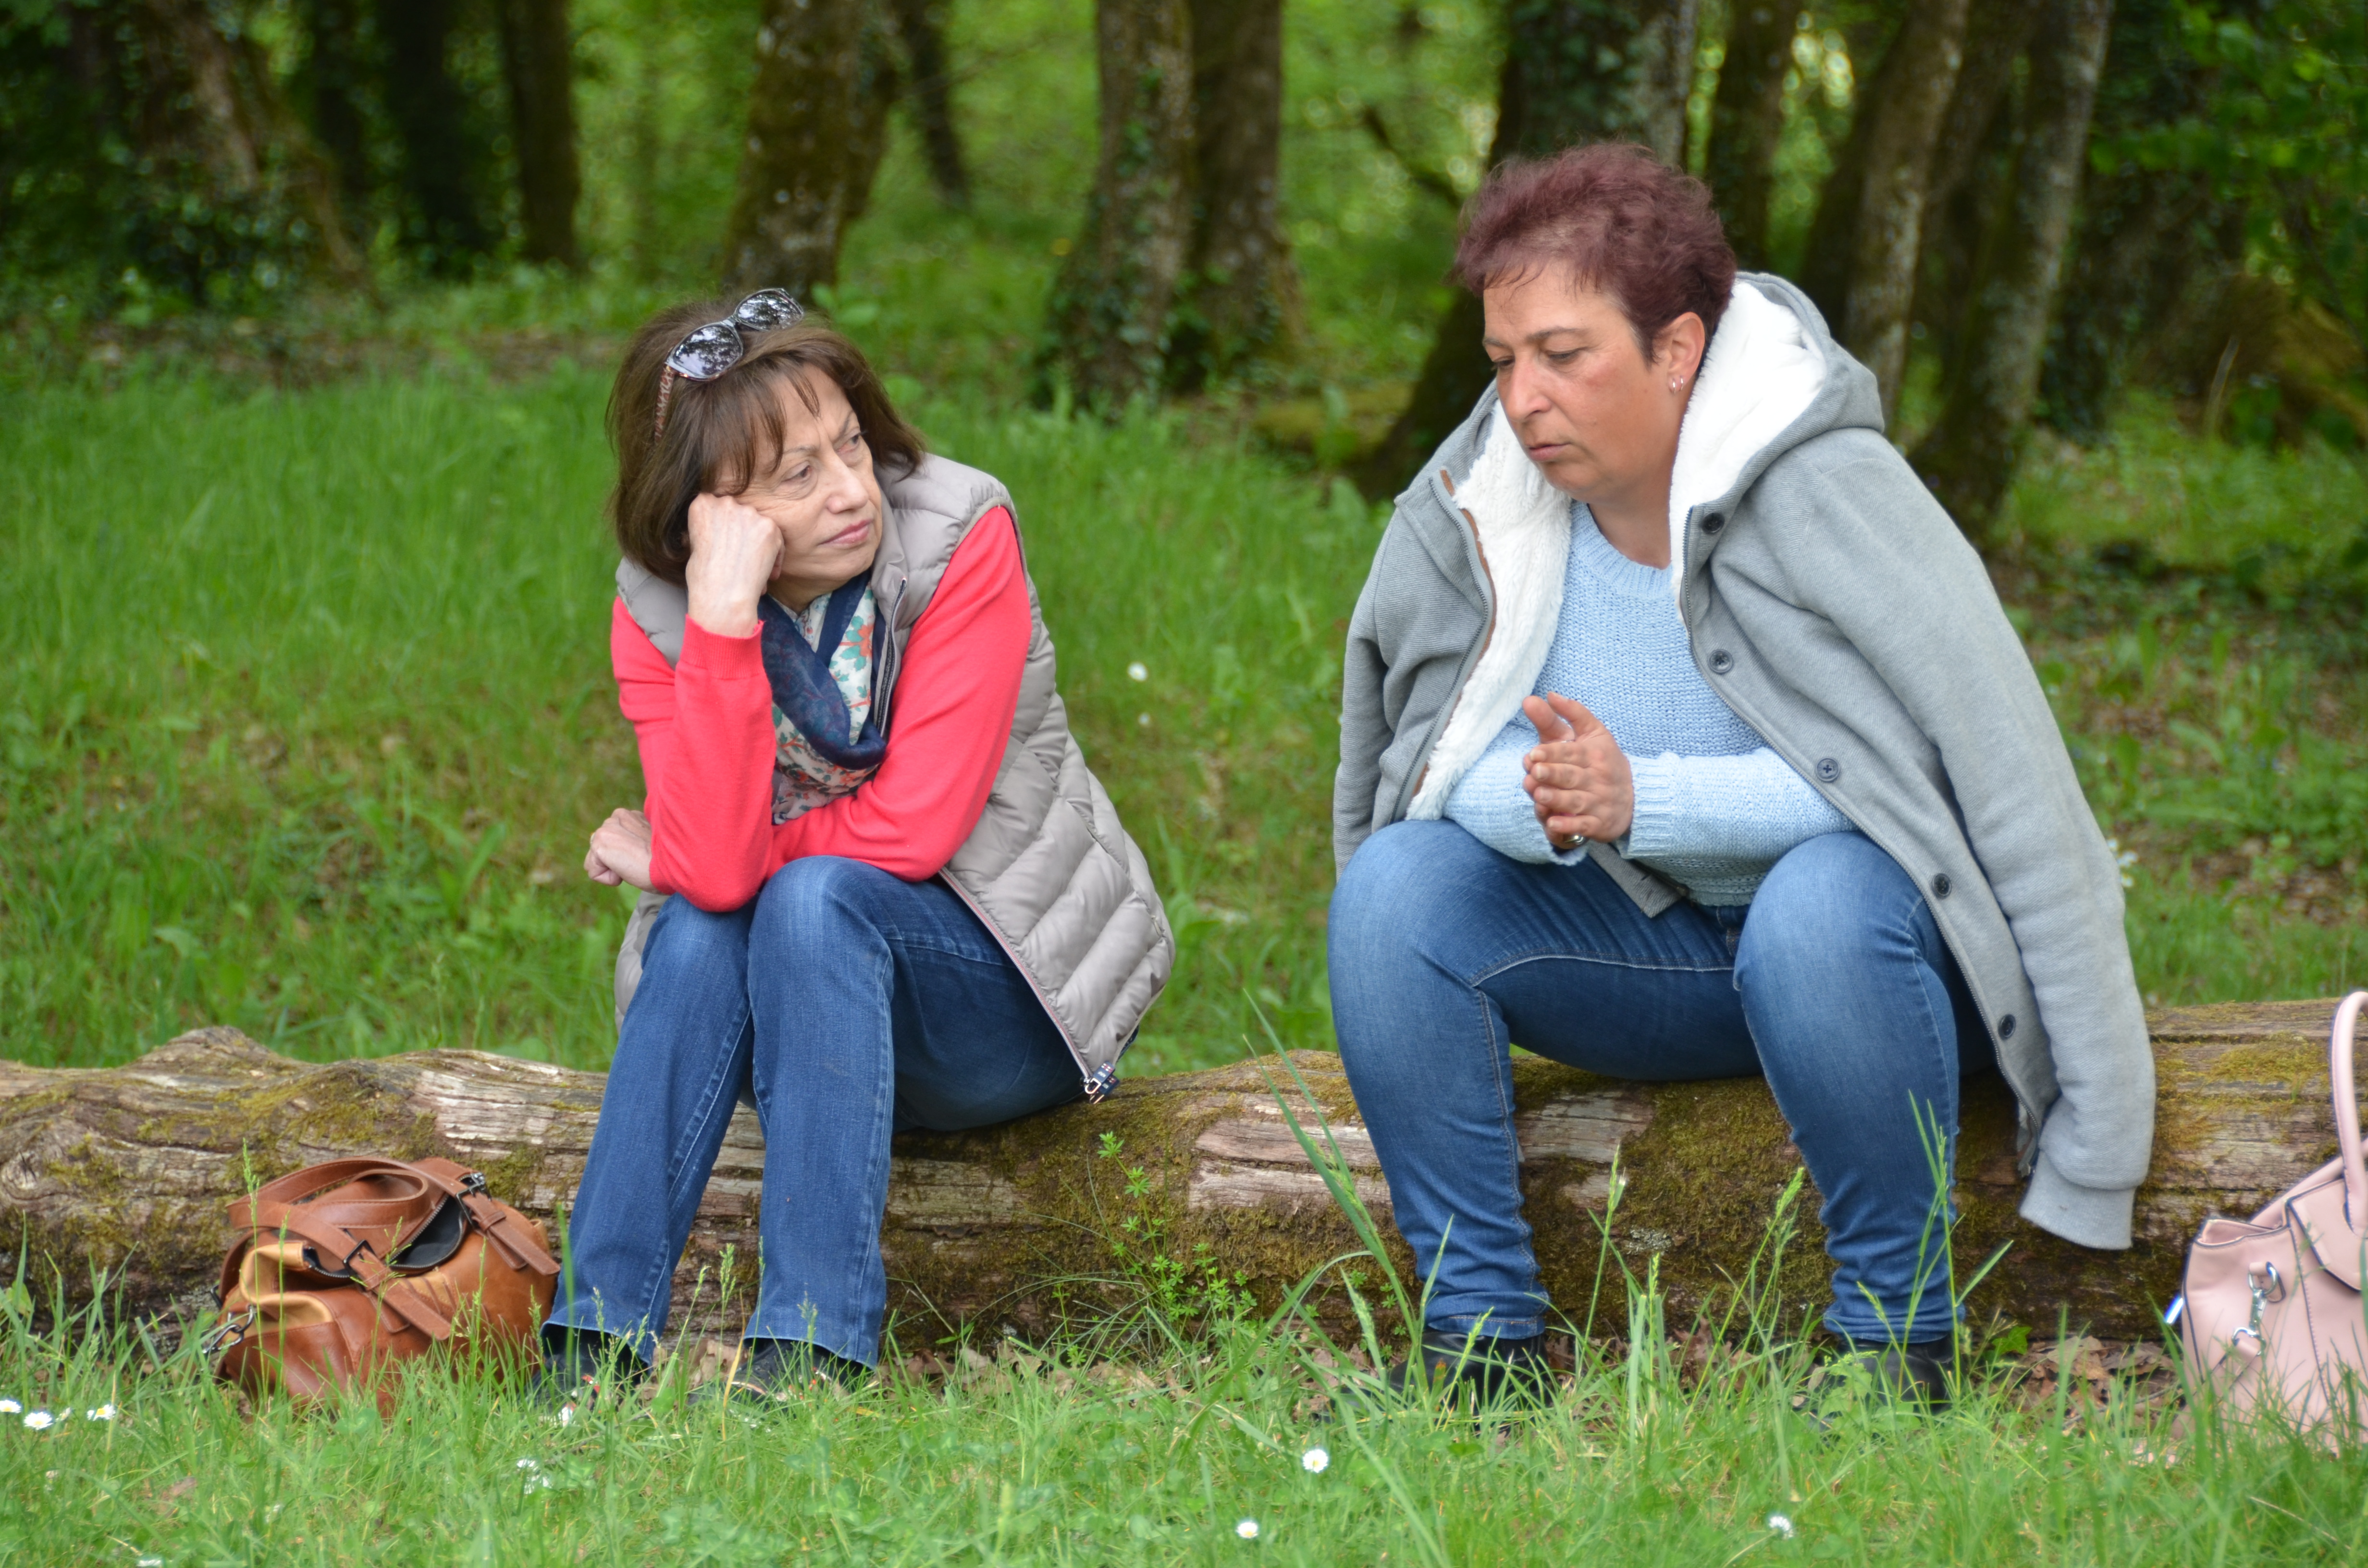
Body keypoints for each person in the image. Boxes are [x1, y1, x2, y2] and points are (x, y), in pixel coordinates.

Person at [1329, 145, 2153, 1406]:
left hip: (1873, 962)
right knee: (1396, 888)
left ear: (1678, 349)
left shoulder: (1832, 492)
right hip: (1647, 957)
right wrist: (1557, 802)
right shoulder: (1477, 502)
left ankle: (1893, 1347)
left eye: (1564, 355)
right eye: (1502, 361)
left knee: (1817, 904)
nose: (1524, 400)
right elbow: (1418, 767)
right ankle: (1480, 1342)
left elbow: (1987, 789)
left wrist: (2100, 1129)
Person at [547, 291, 1173, 1397]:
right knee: (707, 926)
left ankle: (810, 1352)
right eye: (797, 475)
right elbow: (721, 878)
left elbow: (910, 830)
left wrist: (690, 859)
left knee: (804, 897)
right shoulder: (662, 610)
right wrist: (723, 624)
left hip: (1003, 1003)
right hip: (796, 1026)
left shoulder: (959, 533)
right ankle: (592, 1344)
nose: (850, 490)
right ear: (704, 513)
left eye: (850, 444)